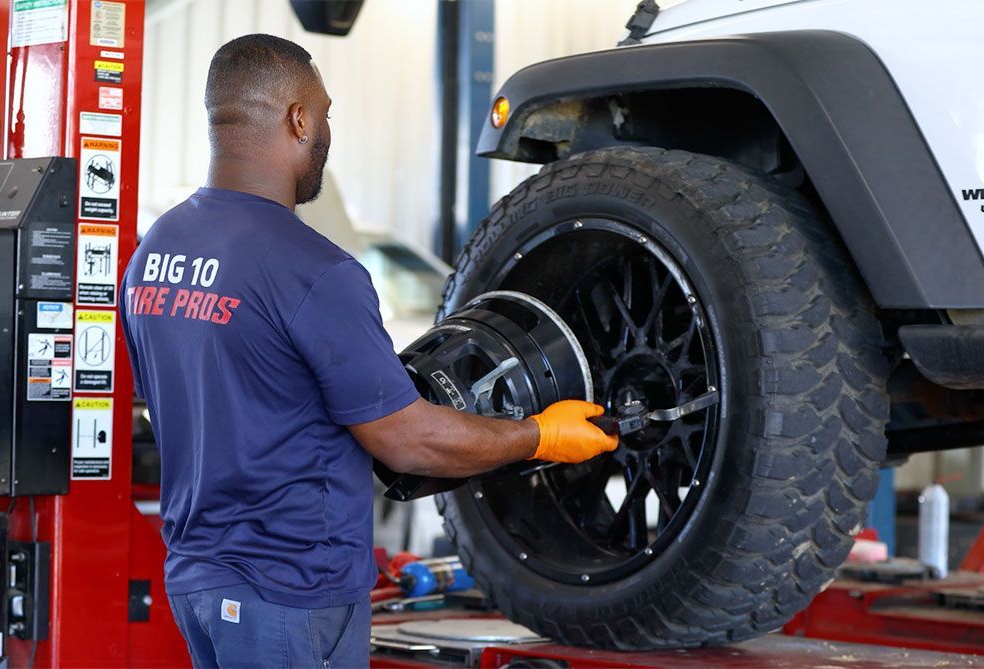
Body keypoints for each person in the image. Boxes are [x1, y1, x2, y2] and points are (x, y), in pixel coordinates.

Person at [119, 34, 618, 669]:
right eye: (325, 114)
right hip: (291, 591)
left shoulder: (158, 251)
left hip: (198, 579)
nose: (328, 132)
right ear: (298, 119)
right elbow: (407, 441)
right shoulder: (314, 270)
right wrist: (540, 437)